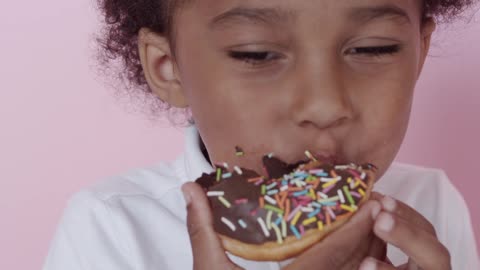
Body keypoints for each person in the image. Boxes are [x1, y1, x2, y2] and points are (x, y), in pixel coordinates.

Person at [43, 0, 480, 269]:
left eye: (373, 48)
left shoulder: (432, 207)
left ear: (420, 52)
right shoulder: (111, 229)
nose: (325, 105)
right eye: (257, 54)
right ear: (167, 67)